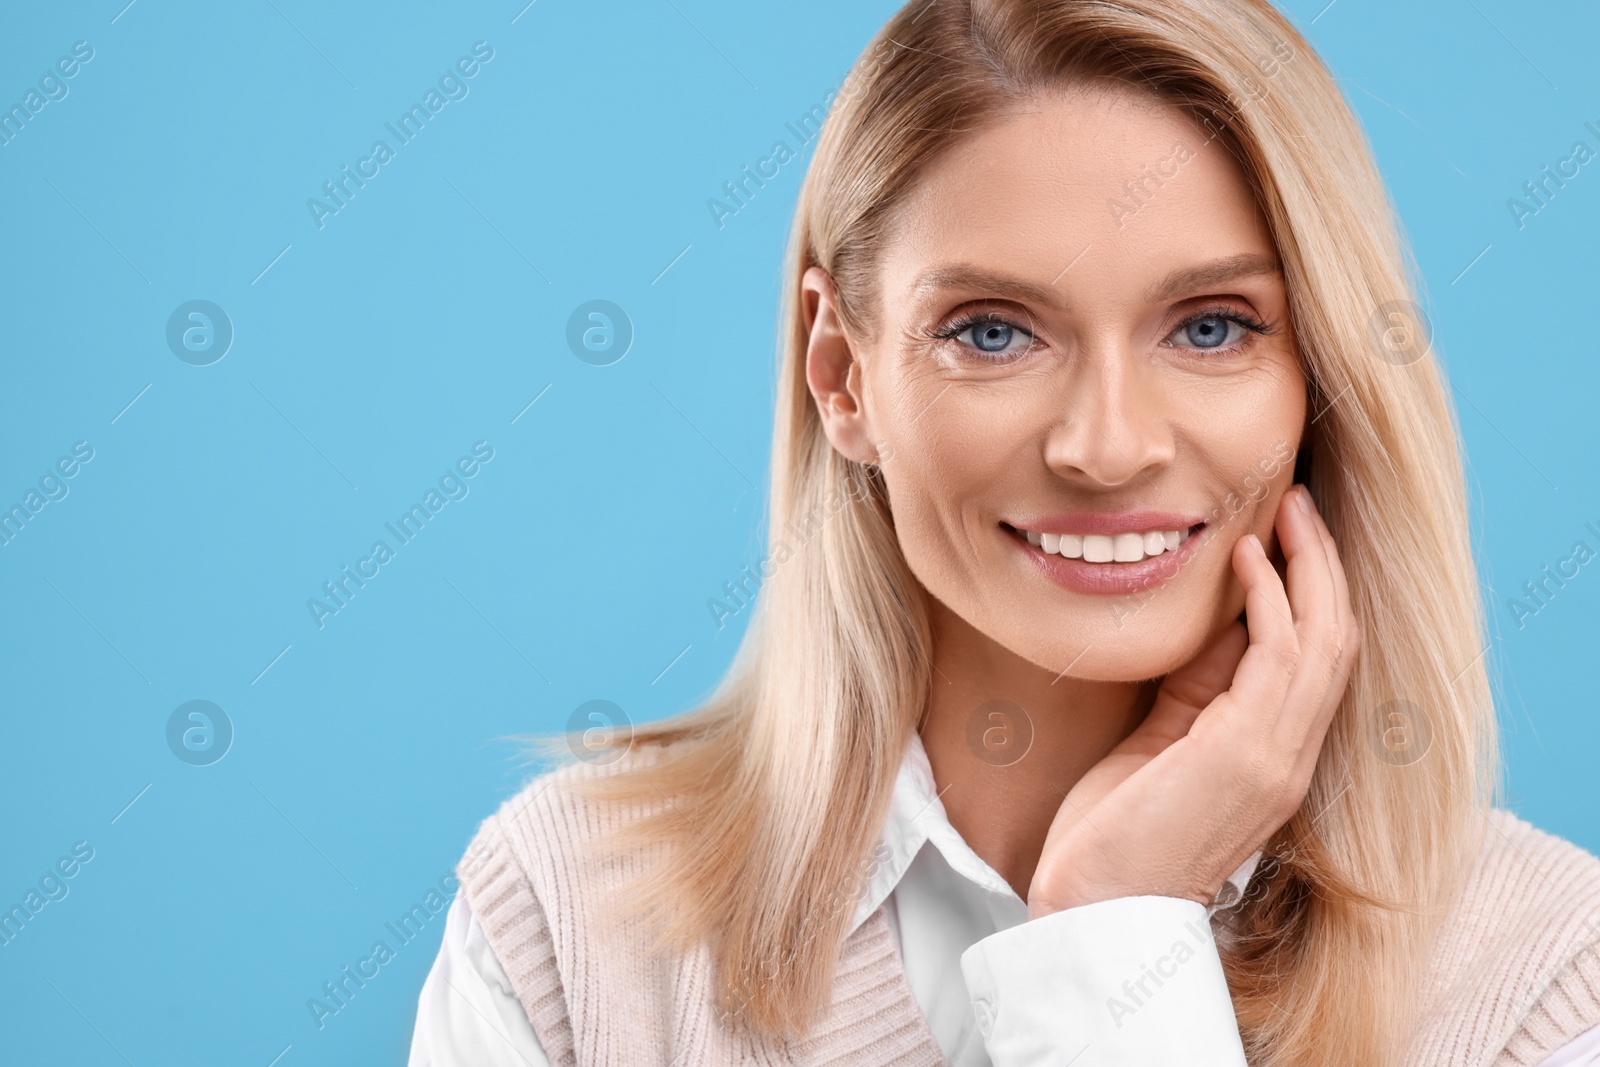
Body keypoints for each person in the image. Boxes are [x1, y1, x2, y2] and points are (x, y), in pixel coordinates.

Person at [408, 0, 1600, 1063]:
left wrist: (1112, 935)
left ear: (1321, 374)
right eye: (992, 331)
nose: (1108, 444)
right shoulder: (573, 918)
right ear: (842, 376)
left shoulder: (1541, 979)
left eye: (1210, 326)